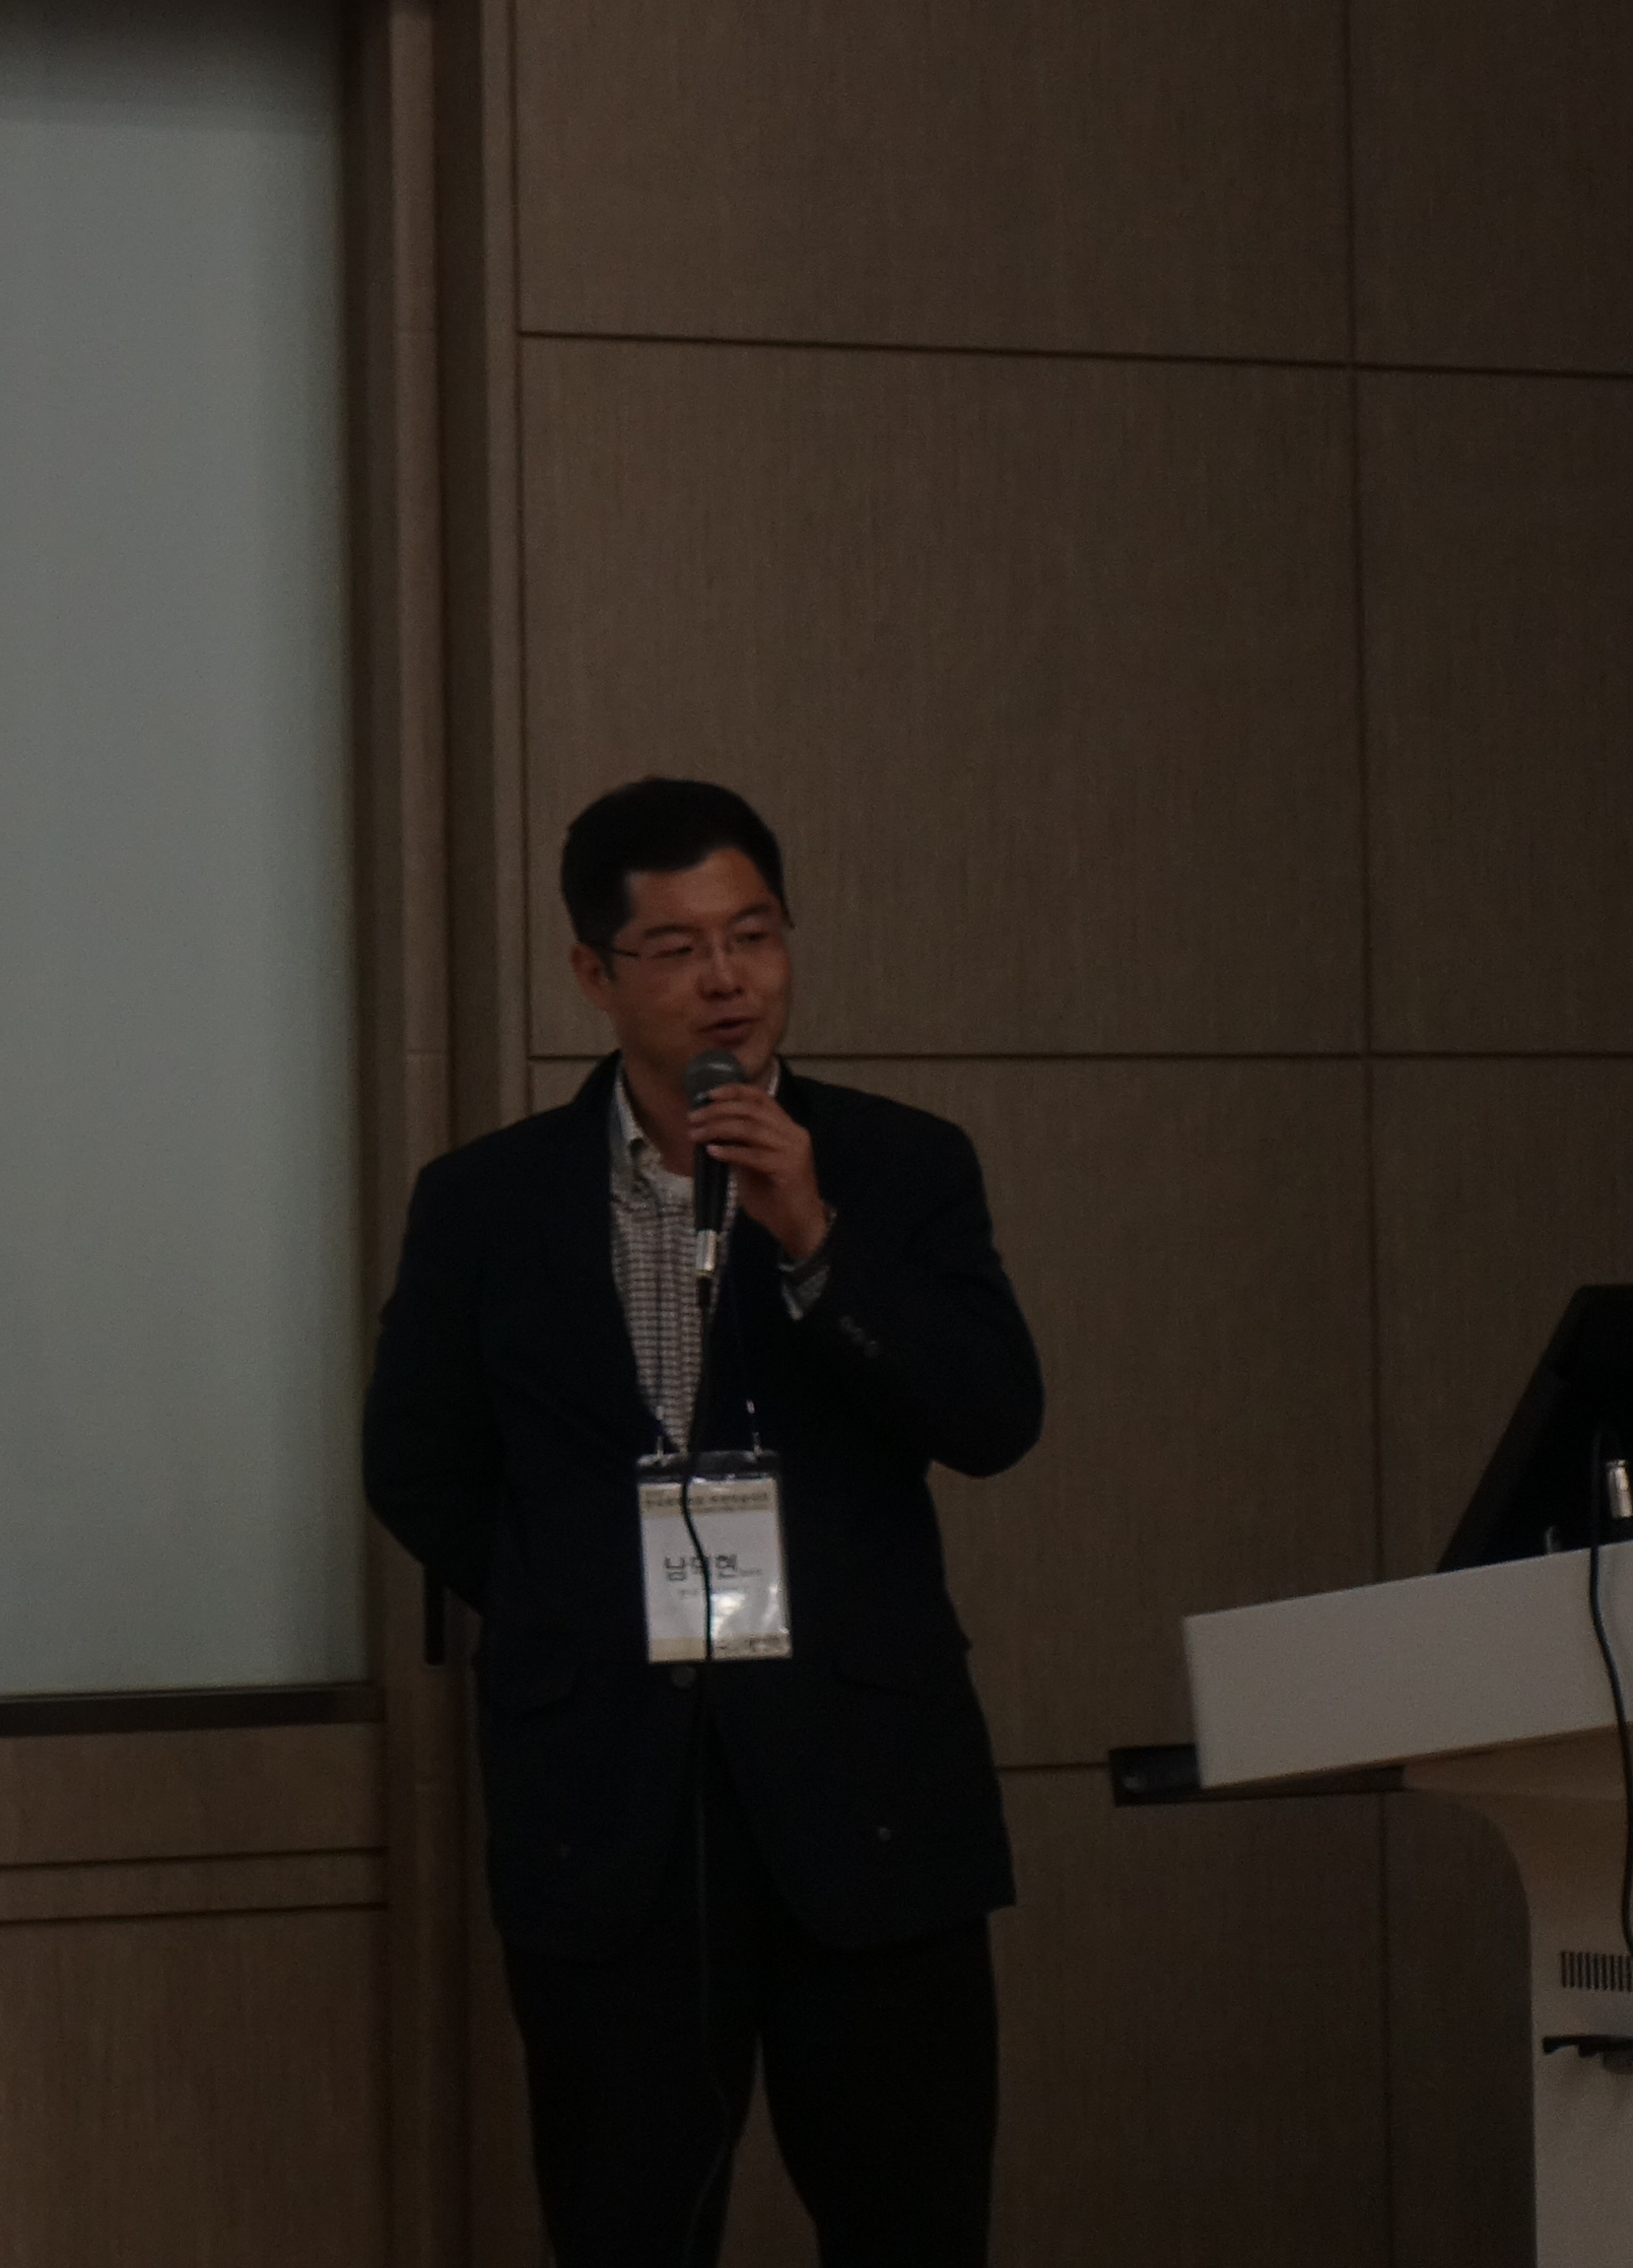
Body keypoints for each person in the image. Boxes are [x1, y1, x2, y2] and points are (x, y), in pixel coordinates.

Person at [363, 778, 1043, 2266]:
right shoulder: (486, 1203)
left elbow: (993, 1417)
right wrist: (577, 1606)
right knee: (628, 2226)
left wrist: (815, 1239)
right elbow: (417, 1465)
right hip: (612, 1804)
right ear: (594, 974)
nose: (727, 979)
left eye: (754, 935)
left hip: (864, 1792)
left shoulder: (899, 1166)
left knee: (914, 2226)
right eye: (675, 949)